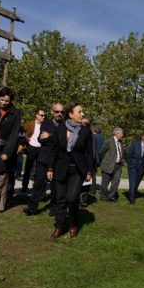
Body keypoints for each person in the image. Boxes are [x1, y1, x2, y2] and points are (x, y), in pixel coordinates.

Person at [47, 102, 94, 239]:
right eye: (79, 112)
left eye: (82, 112)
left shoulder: (85, 131)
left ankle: (73, 224)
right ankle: (59, 226)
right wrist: (50, 167)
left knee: (72, 198)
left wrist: (89, 171)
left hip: (77, 171)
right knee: (60, 199)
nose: (82, 114)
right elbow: (54, 150)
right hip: (61, 169)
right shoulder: (60, 129)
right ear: (70, 114)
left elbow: (89, 154)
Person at [23, 102, 64, 216]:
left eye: (61, 112)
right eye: (57, 111)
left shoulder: (65, 126)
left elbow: (62, 141)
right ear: (52, 112)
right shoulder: (45, 124)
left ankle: (54, 208)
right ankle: (32, 207)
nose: (59, 114)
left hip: (57, 160)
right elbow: (41, 140)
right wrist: (52, 137)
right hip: (44, 158)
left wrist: (50, 136)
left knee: (55, 187)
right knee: (38, 184)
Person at [20, 108, 46, 194]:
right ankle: (24, 186)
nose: (43, 117)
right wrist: (27, 139)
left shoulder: (45, 125)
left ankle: (37, 187)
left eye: (44, 115)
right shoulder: (30, 124)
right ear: (37, 115)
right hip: (32, 148)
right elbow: (23, 131)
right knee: (28, 168)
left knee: (39, 169)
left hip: (41, 148)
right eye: (42, 115)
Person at [125, 131, 144, 204]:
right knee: (132, 181)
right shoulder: (135, 144)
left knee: (137, 181)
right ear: (142, 136)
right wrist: (129, 163)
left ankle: (133, 194)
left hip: (142, 167)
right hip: (133, 165)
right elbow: (128, 154)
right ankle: (131, 198)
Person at [99, 127, 124, 202]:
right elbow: (101, 152)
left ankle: (111, 196)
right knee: (105, 182)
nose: (123, 135)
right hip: (108, 165)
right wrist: (104, 162)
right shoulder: (108, 141)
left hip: (118, 165)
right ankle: (103, 196)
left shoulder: (120, 142)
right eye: (122, 133)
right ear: (117, 134)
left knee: (116, 182)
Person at [79, 117, 95, 207]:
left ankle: (82, 200)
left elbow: (91, 153)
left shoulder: (90, 136)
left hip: (86, 163)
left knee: (85, 184)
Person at [89, 124, 104, 198]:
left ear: (94, 130)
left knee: (91, 174)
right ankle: (92, 189)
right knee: (94, 174)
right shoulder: (102, 139)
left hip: (93, 157)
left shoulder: (92, 137)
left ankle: (92, 190)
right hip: (99, 159)